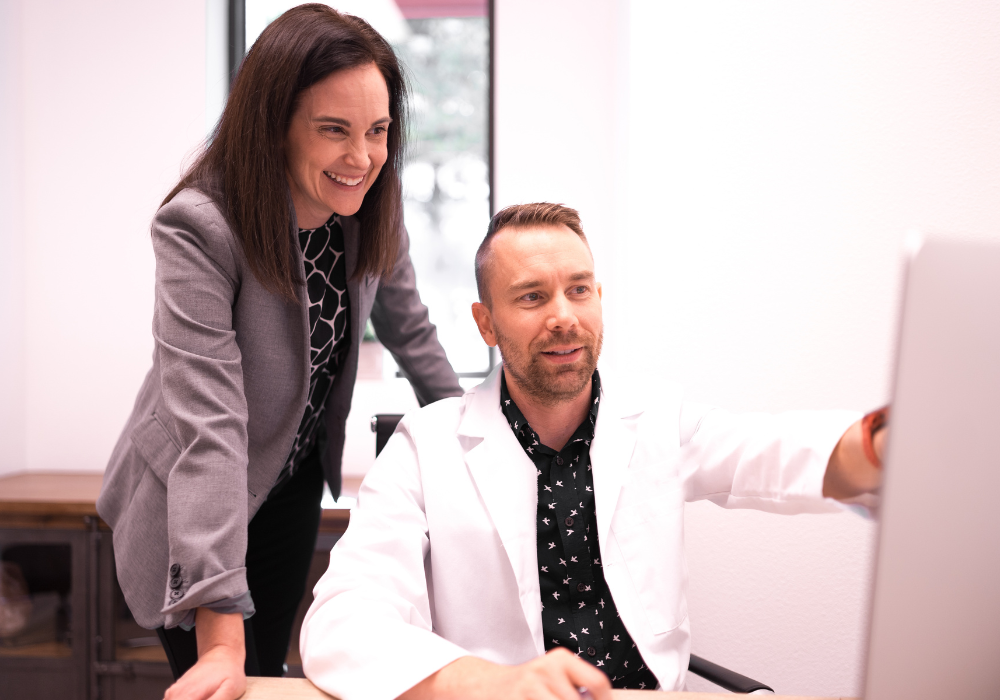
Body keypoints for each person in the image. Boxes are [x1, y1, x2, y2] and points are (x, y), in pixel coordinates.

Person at [299, 203, 886, 700]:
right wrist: (493, 684)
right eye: (531, 297)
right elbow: (341, 623)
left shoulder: (656, 421)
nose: (563, 317)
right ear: (486, 323)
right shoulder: (424, 448)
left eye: (578, 290)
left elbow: (778, 455)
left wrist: (881, 448)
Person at [96, 5, 463, 699]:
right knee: (235, 674)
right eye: (334, 131)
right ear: (275, 124)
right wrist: (221, 646)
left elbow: (410, 330)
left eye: (377, 131)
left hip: (291, 479)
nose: (362, 158)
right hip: (194, 494)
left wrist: (485, 444)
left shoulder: (370, 203)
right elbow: (209, 430)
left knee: (272, 672)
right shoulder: (201, 227)